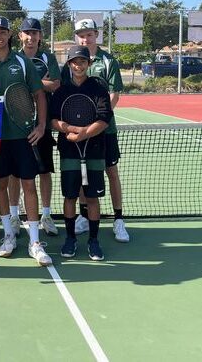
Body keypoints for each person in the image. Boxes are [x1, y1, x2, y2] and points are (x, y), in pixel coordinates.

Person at [0, 16, 52, 266]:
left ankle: (34, 241)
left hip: (23, 135)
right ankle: (8, 235)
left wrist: (41, 126)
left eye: (3, 31)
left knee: (28, 186)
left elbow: (39, 94)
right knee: (0, 186)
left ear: (10, 34)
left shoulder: (22, 62)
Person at [65, 18, 130, 243]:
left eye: (89, 34)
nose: (85, 38)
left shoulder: (108, 61)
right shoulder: (73, 61)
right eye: (81, 35)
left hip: (104, 130)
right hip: (80, 131)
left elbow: (114, 94)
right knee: (84, 173)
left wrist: (98, 119)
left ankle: (118, 219)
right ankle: (84, 216)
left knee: (111, 172)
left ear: (96, 35)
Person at [50, 46, 112, 261]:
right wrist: (68, 129)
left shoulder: (98, 89)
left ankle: (94, 241)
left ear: (88, 64)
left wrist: (84, 134)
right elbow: (52, 120)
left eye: (82, 62)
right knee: (70, 196)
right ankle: (70, 238)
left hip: (94, 151)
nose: (78, 65)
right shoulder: (61, 91)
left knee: (92, 198)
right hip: (69, 151)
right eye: (74, 62)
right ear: (69, 64)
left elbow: (104, 119)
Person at [8, 17, 61, 237]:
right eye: (26, 33)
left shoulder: (48, 57)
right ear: (20, 36)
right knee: (15, 173)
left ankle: (46, 215)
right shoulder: (14, 58)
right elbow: (18, 89)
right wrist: (40, 84)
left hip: (43, 124)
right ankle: (13, 216)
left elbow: (56, 84)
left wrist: (30, 87)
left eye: (35, 33)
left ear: (40, 36)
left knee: (44, 171)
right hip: (17, 125)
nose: (30, 37)